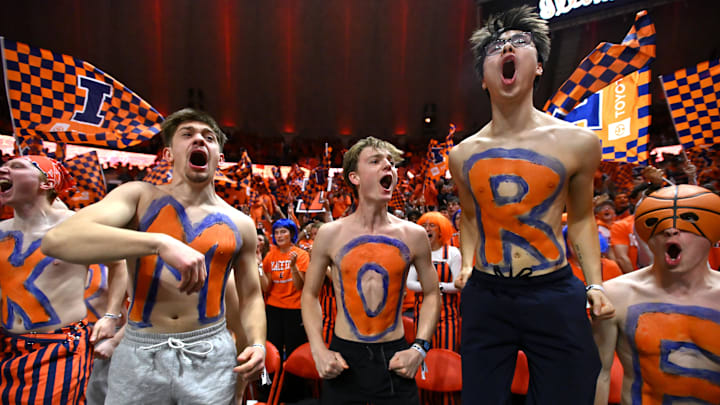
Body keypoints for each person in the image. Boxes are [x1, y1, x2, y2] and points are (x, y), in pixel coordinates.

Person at [42, 108, 266, 404]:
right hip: (140, 352)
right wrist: (158, 243)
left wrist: (258, 343)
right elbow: (58, 240)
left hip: (208, 353)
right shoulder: (137, 196)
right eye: (187, 135)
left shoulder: (241, 223)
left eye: (208, 137)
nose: (198, 139)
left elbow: (250, 296)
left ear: (219, 159)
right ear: (168, 154)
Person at [447, 6, 614, 404]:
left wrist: (594, 284)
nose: (507, 47)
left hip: (553, 290)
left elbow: (583, 217)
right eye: (495, 47)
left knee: (569, 393)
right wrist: (468, 263)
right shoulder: (462, 155)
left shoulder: (578, 143)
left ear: (538, 66)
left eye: (519, 43)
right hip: (487, 294)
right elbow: (471, 217)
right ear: (484, 79)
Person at [302, 136, 441, 405]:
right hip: (345, 357)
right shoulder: (330, 234)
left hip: (396, 357)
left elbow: (432, 293)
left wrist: (420, 348)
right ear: (354, 177)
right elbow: (309, 295)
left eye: (390, 163)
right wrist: (318, 349)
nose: (387, 167)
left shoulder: (413, 234)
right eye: (375, 161)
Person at [0, 155, 125, 403]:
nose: (3, 168)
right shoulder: (2, 230)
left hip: (58, 350)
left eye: (16, 166)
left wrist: (111, 316)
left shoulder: (75, 227)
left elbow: (120, 264)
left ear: (45, 183)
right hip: (6, 346)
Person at [593, 185, 720, 404]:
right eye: (657, 223)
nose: (671, 230)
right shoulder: (616, 295)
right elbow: (599, 374)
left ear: (712, 234)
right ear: (645, 236)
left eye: (688, 221)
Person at [407, 211, 462, 405]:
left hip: (448, 317)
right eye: (424, 225)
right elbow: (409, 283)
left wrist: (433, 287)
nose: (427, 229)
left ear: (442, 230)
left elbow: (458, 285)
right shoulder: (419, 252)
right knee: (423, 361)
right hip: (421, 316)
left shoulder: (453, 253)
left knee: (447, 364)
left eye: (432, 225)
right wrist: (436, 287)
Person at [259, 218, 310, 402]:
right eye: (277, 232)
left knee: (294, 352)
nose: (279, 235)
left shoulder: (301, 255)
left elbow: (299, 286)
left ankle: (294, 395)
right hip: (273, 309)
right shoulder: (270, 256)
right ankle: (267, 392)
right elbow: (266, 287)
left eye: (283, 232)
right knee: (271, 351)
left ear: (291, 234)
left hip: (295, 309)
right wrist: (258, 266)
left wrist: (294, 266)